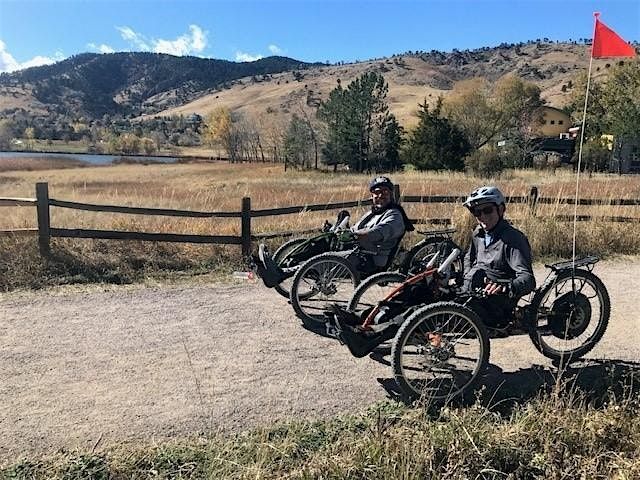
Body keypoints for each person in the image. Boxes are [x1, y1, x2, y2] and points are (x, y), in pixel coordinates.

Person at [254, 175, 413, 287]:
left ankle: (280, 274)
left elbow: (378, 233)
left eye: (384, 192)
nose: (380, 196)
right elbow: (355, 229)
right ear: (372, 196)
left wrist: (355, 235)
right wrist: (338, 231)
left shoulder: (394, 215)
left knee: (323, 258)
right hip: (357, 249)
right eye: (376, 193)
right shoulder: (373, 212)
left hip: (369, 259)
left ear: (391, 194)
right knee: (322, 241)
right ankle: (285, 265)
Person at [462, 185, 536, 328]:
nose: (482, 217)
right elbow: (468, 259)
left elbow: (528, 279)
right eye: (477, 212)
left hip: (493, 303)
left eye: (487, 210)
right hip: (470, 293)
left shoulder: (513, 238)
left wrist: (506, 287)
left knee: (441, 318)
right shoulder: (478, 234)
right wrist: (466, 277)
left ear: (501, 209)